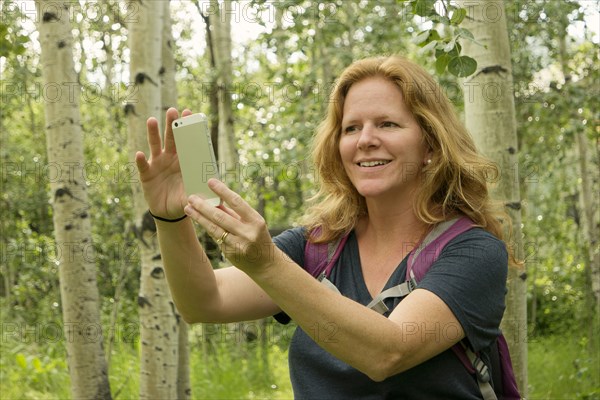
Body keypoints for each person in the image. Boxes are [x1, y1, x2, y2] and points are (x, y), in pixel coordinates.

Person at [135, 55, 511, 399]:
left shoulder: (473, 252)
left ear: (430, 144)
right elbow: (205, 301)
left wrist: (267, 263)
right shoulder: (318, 246)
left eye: (387, 124)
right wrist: (171, 219)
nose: (365, 140)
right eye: (351, 128)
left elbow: (389, 351)